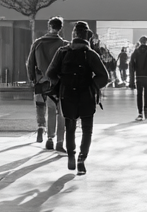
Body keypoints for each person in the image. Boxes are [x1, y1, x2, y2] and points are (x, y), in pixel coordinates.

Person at [46, 21, 110, 175]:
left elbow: (50, 73)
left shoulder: (62, 52)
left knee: (70, 127)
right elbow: (104, 76)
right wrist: (92, 86)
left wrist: (61, 83)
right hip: (86, 95)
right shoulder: (90, 54)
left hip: (67, 94)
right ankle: (82, 158)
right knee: (87, 129)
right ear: (86, 36)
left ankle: (71, 155)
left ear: (73, 35)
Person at [26, 16, 68, 151]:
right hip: (57, 83)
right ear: (60, 29)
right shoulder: (63, 45)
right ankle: (58, 141)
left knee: (41, 106)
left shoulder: (37, 43)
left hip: (40, 81)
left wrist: (32, 78)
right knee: (59, 112)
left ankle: (42, 129)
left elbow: (30, 63)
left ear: (49, 27)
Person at [130, 35, 147, 120]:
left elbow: (132, 66)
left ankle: (140, 113)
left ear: (140, 41)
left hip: (139, 76)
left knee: (139, 94)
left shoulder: (136, 52)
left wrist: (131, 80)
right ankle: (146, 112)